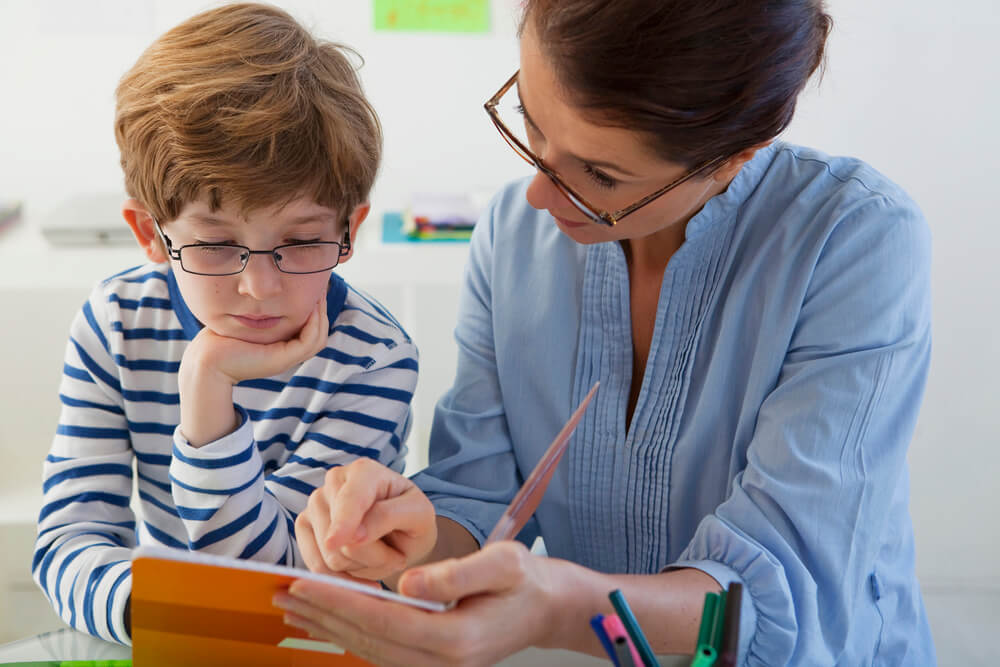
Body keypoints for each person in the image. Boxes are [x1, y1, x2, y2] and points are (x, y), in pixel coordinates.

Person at [277, 0, 936, 664]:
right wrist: (408, 540)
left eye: (601, 175)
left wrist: (560, 608)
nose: (539, 192)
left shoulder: (853, 241)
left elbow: (772, 596)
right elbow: (477, 497)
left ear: (736, 157)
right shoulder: (512, 233)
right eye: (530, 124)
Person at [31, 3, 418, 646]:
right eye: (214, 246)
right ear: (149, 235)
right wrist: (154, 610)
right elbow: (69, 535)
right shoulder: (116, 321)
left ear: (348, 230)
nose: (259, 289)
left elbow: (282, 589)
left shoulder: (372, 356)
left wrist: (208, 391)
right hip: (160, 633)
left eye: (299, 242)